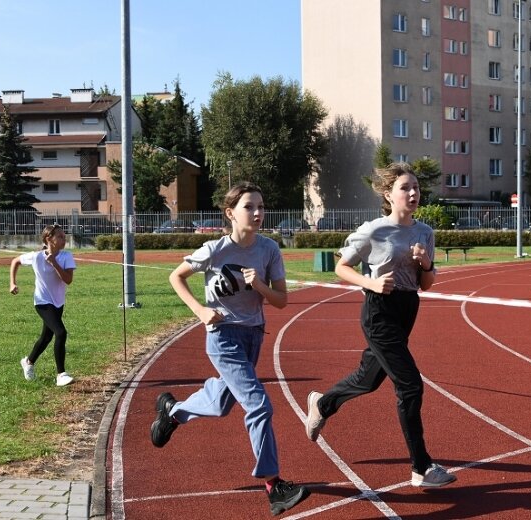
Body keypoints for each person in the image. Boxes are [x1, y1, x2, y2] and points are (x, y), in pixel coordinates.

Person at [151, 182, 310, 516]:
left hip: (253, 335)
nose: (257, 213)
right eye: (249, 207)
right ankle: (273, 485)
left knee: (222, 403)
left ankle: (173, 412)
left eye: (261, 207)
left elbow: (281, 301)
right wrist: (201, 311)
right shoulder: (215, 249)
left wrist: (259, 285)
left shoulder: (269, 250)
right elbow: (175, 277)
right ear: (230, 213)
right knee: (259, 406)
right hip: (222, 337)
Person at [305, 162, 457, 488]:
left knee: (368, 379)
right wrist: (370, 283)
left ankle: (322, 403)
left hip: (407, 309)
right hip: (379, 311)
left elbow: (427, 284)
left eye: (416, 187)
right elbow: (341, 267)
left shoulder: (425, 233)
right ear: (389, 194)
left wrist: (427, 264)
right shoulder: (374, 231)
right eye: (405, 188)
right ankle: (421, 467)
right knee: (410, 386)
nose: (413, 193)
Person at [10, 224, 76, 387]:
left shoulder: (66, 256)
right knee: (60, 332)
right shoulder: (36, 256)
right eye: (60, 237)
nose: (64, 239)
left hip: (58, 302)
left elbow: (68, 280)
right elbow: (15, 261)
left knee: (46, 337)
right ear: (49, 239)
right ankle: (61, 374)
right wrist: (12, 283)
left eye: (64, 236)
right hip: (42, 302)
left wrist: (54, 263)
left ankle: (28, 362)